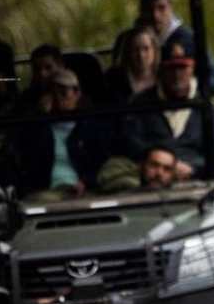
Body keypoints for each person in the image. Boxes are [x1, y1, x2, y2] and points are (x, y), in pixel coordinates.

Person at [119, 41, 214, 180]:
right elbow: (129, 145)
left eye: (182, 67)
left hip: (194, 183)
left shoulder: (204, 106)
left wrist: (193, 170)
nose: (177, 75)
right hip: (147, 184)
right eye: (171, 68)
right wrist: (159, 164)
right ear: (161, 70)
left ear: (192, 69)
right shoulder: (140, 104)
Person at [15, 69, 111, 200]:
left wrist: (86, 182)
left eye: (65, 91)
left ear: (77, 94)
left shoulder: (89, 127)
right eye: (55, 92)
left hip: (82, 191)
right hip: (48, 191)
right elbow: (30, 160)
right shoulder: (37, 127)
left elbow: (101, 163)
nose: (60, 97)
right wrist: (42, 117)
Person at [138, 0, 214, 95]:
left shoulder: (189, 40)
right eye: (149, 9)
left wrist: (189, 87)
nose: (156, 15)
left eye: (161, 8)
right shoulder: (132, 41)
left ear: (170, 8)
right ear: (141, 11)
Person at [105, 26, 159, 103]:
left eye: (146, 49)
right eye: (136, 49)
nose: (141, 55)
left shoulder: (165, 76)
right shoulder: (112, 79)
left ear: (154, 50)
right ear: (128, 52)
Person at [12, 44, 64, 116]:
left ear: (61, 66)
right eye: (37, 69)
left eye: (48, 67)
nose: (42, 73)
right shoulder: (27, 97)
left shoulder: (75, 92)